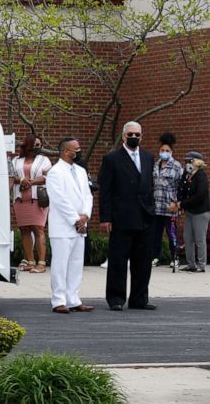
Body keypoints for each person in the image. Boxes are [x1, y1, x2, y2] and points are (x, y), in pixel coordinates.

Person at [99, 121, 156, 311]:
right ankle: (116, 298)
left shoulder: (148, 157)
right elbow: (105, 191)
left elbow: (150, 186)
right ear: (124, 136)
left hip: (144, 217)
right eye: (130, 134)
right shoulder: (112, 159)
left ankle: (139, 299)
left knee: (143, 262)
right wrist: (105, 218)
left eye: (137, 134)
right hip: (121, 217)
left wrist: (151, 209)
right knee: (118, 261)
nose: (134, 137)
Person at [47, 138, 94, 313]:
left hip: (80, 226)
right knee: (61, 264)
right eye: (76, 149)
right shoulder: (55, 172)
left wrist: (85, 216)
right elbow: (59, 199)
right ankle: (58, 299)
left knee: (75, 264)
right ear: (66, 151)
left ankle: (73, 298)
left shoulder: (81, 171)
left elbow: (87, 195)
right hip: (63, 226)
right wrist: (75, 219)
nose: (79, 151)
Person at [12, 135, 51, 274]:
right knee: (24, 230)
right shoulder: (16, 160)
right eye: (36, 145)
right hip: (20, 200)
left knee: (38, 229)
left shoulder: (44, 160)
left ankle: (41, 263)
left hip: (38, 200)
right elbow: (11, 177)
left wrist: (31, 182)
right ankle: (30, 261)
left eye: (39, 145)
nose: (38, 147)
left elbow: (48, 177)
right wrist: (22, 179)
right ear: (28, 146)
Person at [151, 133, 183, 268]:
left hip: (170, 207)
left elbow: (181, 187)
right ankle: (155, 257)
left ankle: (174, 257)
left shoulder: (176, 166)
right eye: (162, 150)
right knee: (155, 234)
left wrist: (178, 204)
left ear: (171, 152)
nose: (164, 153)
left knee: (171, 234)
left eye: (167, 151)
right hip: (156, 207)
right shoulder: (155, 165)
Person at [178, 151, 208, 273]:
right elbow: (181, 189)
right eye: (185, 161)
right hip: (190, 211)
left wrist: (183, 204)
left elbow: (200, 195)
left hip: (200, 212)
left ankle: (201, 265)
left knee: (200, 239)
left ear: (196, 162)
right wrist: (179, 202)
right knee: (187, 237)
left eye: (189, 161)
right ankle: (191, 264)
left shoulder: (201, 175)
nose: (186, 163)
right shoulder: (187, 174)